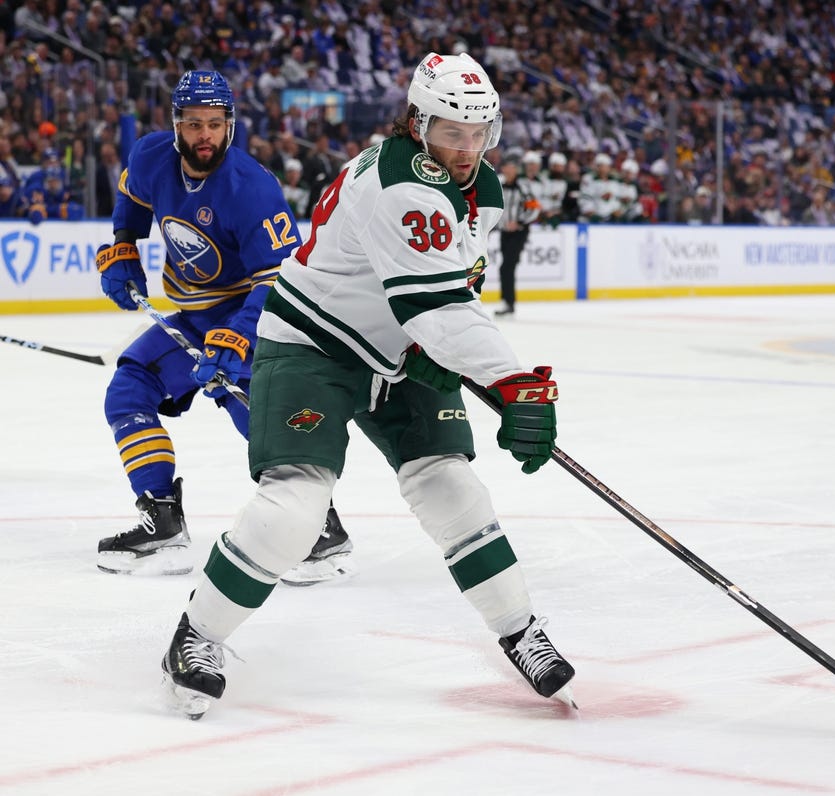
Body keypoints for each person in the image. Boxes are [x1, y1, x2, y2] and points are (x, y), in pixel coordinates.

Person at [159, 52, 575, 719]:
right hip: (313, 342)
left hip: (400, 346)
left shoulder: (482, 191)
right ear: (418, 123)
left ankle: (521, 629)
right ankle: (197, 635)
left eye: (479, 134)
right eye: (450, 132)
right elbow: (437, 307)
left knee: (452, 486)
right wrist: (515, 385)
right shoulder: (398, 184)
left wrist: (460, 362)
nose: (466, 149)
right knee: (295, 509)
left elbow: (450, 292)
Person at [94, 70, 354, 585]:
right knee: (128, 391)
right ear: (176, 125)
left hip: (255, 317)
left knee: (259, 417)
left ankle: (320, 529)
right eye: (193, 124)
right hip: (192, 319)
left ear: (230, 124)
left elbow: (280, 282)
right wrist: (123, 249)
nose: (204, 135)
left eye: (215, 123)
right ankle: (162, 517)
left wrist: (238, 336)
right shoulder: (151, 156)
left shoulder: (251, 189)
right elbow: (132, 198)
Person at [494, 153, 539, 317]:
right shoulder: (501, 183)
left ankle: (509, 303)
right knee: (506, 268)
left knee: (507, 267)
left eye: (508, 166)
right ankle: (507, 302)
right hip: (505, 232)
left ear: (514, 169)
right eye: (504, 166)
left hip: (519, 232)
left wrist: (519, 222)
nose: (505, 169)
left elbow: (534, 207)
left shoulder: (523, 185)